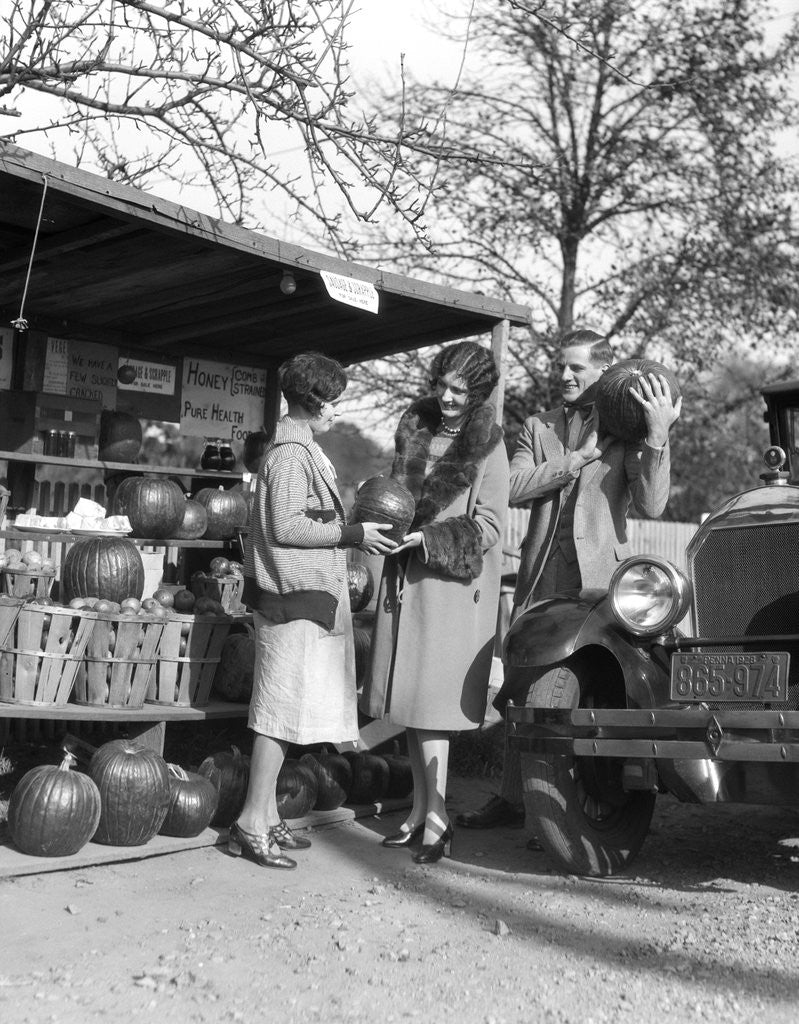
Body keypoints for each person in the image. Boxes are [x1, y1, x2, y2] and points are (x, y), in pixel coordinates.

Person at [456, 329, 682, 834]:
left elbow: (652, 504)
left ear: (603, 373)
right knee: (522, 688)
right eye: (561, 367)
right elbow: (512, 487)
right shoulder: (537, 428)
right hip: (542, 579)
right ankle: (514, 800)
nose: (563, 376)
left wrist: (658, 437)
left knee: (592, 692)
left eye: (575, 368)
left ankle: (568, 809)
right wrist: (575, 460)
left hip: (601, 587)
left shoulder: (628, 433)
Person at [232, 352, 396, 870]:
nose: (337, 412)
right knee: (277, 716)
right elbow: (287, 529)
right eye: (335, 402)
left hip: (301, 600)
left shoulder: (304, 452)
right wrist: (352, 534)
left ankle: (263, 817)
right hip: (290, 602)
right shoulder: (288, 457)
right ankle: (250, 823)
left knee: (288, 713)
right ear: (314, 401)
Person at [360, 341, 510, 864]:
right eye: (441, 385)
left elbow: (491, 526)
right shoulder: (413, 430)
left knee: (431, 708)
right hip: (404, 586)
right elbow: (396, 500)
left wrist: (427, 540)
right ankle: (419, 813)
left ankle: (439, 819)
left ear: (478, 395)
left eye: (459, 390)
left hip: (450, 590)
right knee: (407, 705)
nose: (446, 397)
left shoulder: (489, 445)